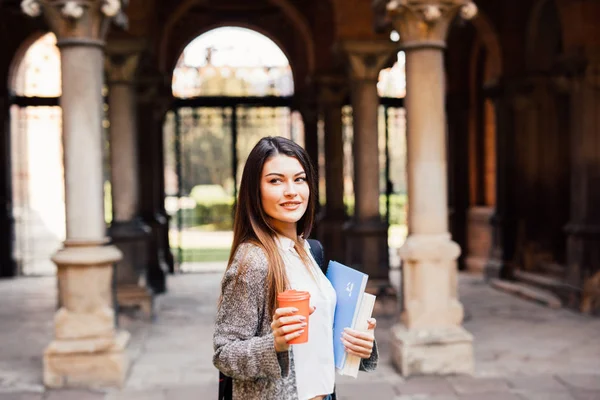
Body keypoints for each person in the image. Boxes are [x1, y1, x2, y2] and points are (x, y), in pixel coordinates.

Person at [213, 136, 378, 400]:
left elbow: (323, 332)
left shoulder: (310, 250)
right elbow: (224, 353)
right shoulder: (253, 262)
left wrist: (361, 344)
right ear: (255, 191)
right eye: (275, 181)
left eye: (299, 179)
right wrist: (274, 344)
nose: (291, 191)